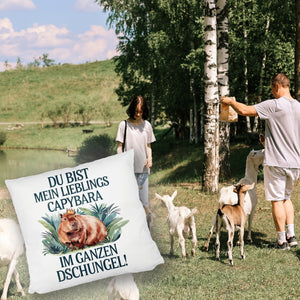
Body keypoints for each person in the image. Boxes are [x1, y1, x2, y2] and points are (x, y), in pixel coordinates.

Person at [221, 73, 300, 250]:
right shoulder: (298, 107)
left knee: (277, 200)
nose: (272, 93)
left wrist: (230, 102)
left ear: (277, 86)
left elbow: (244, 110)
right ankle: (291, 236)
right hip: (295, 162)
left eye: (272, 89)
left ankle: (281, 241)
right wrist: (270, 141)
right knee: (287, 198)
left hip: (277, 162)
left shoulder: (274, 105)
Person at [116, 95, 155, 227]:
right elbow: (119, 147)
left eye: (141, 111)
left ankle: (145, 232)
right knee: (129, 203)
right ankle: (130, 230)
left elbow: (148, 147)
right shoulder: (124, 125)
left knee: (144, 204)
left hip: (143, 171)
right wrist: (121, 165)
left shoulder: (147, 126)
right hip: (128, 172)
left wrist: (150, 158)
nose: (138, 114)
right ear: (132, 109)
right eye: (136, 111)